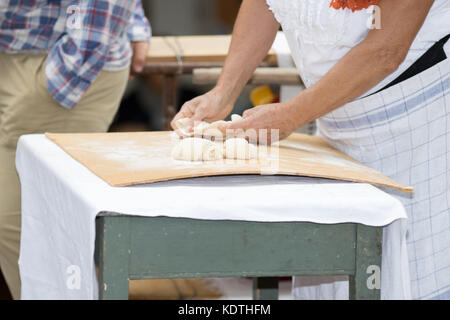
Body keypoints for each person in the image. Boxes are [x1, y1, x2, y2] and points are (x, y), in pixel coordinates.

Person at [172, 0, 450, 299]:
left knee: (411, 270)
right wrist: (223, 92)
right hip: (334, 123)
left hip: (417, 124)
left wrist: (293, 114)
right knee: (338, 265)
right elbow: (263, 4)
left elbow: (385, 50)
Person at [0, 1, 151, 299]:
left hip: (53, 66)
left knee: (26, 227)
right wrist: (132, 18)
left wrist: (67, 70)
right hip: (20, 49)